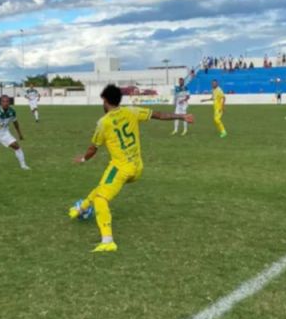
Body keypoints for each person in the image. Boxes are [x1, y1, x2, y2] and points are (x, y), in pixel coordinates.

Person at [69, 85, 194, 253]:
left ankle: (107, 241)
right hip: (137, 167)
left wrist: (83, 158)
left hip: (120, 168)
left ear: (105, 101)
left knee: (100, 198)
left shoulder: (103, 123)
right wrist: (182, 116)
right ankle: (81, 208)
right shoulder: (132, 111)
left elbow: (93, 148)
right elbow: (158, 114)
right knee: (103, 186)